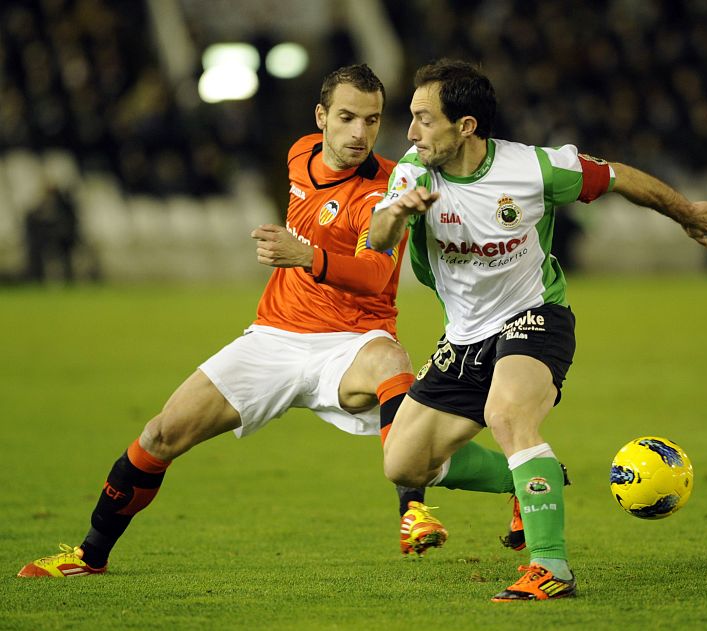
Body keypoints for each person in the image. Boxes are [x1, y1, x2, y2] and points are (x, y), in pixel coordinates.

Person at [18, 64, 457, 578]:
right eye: (347, 118)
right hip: (274, 338)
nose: (360, 133)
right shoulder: (299, 155)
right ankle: (88, 556)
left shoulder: (387, 191)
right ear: (321, 117)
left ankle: (414, 513)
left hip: (351, 342)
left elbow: (375, 274)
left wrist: (306, 256)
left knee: (393, 364)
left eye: (372, 120)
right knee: (161, 434)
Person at [368, 59, 707, 602]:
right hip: (463, 336)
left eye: (425, 119)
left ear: (466, 125)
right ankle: (529, 478)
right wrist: (399, 211)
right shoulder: (414, 172)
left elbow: (617, 177)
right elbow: (376, 238)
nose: (412, 132)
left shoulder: (535, 168)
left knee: (508, 415)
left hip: (534, 316)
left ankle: (551, 567)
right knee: (404, 461)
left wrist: (685, 213)